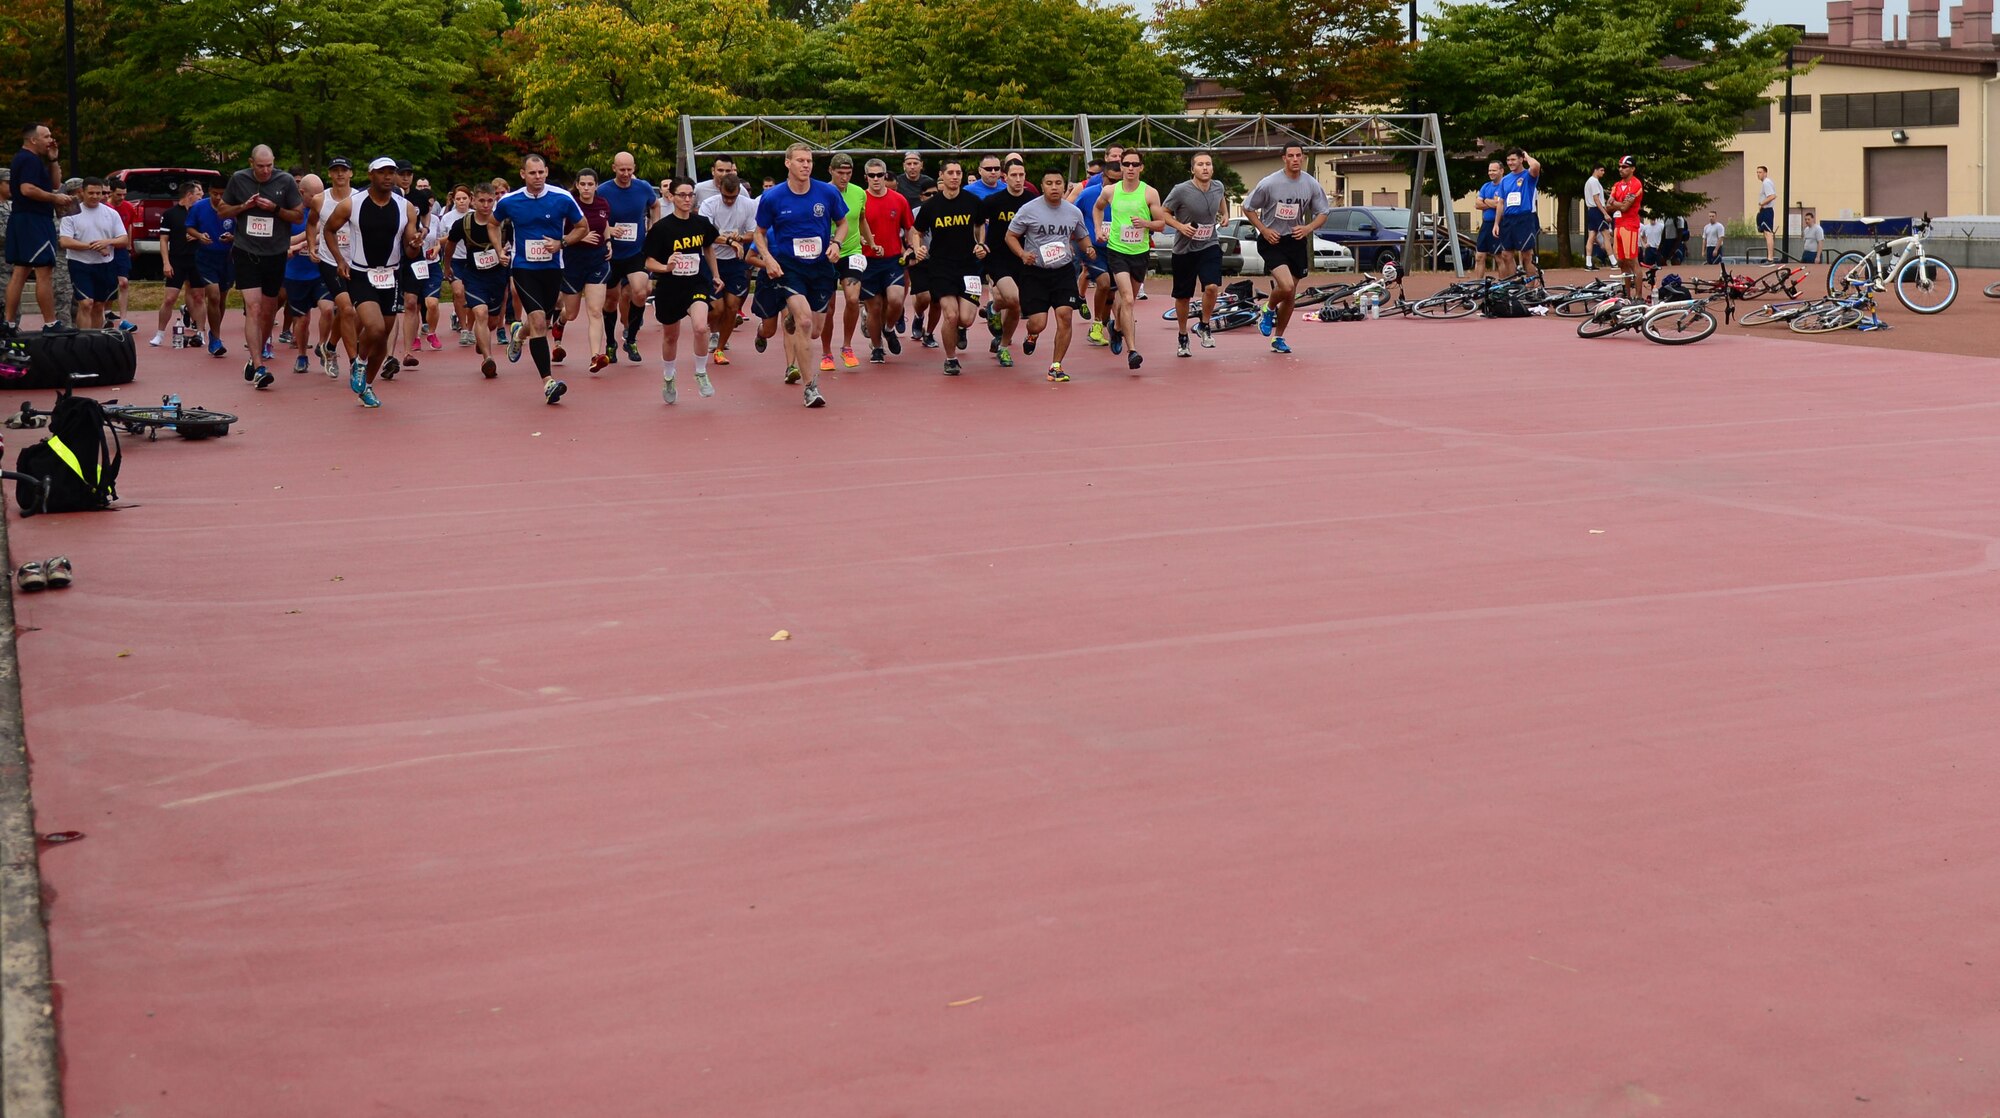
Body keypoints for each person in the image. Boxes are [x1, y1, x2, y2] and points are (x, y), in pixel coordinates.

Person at [321, 157, 424, 408]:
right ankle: (359, 361)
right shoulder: (351, 205)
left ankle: (366, 386)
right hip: (361, 274)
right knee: (375, 328)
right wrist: (339, 260)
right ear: (370, 175)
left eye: (392, 172)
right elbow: (329, 230)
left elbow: (410, 249)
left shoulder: (405, 207)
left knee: (383, 337)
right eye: (382, 173)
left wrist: (415, 244)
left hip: (391, 275)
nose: (388, 177)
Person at [751, 142, 848, 407]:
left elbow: (843, 224)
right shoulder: (773, 197)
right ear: (788, 163)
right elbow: (759, 232)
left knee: (815, 330)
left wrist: (836, 244)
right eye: (800, 161)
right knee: (804, 322)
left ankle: (794, 320)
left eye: (809, 161)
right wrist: (768, 258)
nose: (806, 165)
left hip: (819, 267)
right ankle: (810, 387)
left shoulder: (827, 192)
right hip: (788, 268)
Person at [490, 153, 588, 404]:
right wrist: (499, 248)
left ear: (546, 172)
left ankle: (519, 335)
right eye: (532, 173)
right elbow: (492, 223)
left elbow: (582, 227)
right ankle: (548, 382)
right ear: (523, 174)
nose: (538, 177)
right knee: (537, 321)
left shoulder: (562, 198)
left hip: (552, 268)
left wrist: (562, 242)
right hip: (523, 268)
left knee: (540, 320)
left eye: (541, 172)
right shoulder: (510, 201)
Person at [217, 144, 306, 390]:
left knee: (268, 310)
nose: (266, 171)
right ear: (251, 163)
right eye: (260, 166)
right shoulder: (239, 179)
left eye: (269, 166)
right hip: (246, 250)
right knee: (253, 308)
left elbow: (298, 216)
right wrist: (243, 207)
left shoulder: (285, 181)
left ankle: (254, 355)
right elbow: (222, 211)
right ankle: (259, 366)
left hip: (275, 252)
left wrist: (275, 209)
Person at [1004, 169, 1096, 383]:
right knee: (1038, 323)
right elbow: (1010, 236)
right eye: (1049, 183)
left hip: (1063, 272)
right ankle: (1032, 334)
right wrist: (1022, 254)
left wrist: (1089, 248)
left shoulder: (1073, 212)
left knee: (1065, 315)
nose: (1054, 187)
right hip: (1035, 272)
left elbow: (1082, 237)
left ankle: (1056, 366)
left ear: (1064, 187)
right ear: (1042, 186)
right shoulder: (1028, 209)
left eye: (1058, 183)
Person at [643, 176, 725, 404]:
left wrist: (716, 275)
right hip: (670, 287)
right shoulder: (661, 229)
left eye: (691, 195)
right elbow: (648, 262)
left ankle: (700, 372)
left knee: (700, 327)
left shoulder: (700, 223)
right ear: (671, 197)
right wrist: (666, 267)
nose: (688, 199)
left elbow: (708, 247)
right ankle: (669, 376)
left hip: (696, 283)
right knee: (671, 336)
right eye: (682, 195)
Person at [1242, 143, 1329, 355]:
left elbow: (1324, 212)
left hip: (1296, 240)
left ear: (1303, 158)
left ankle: (1278, 338)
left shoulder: (1310, 183)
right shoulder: (1269, 183)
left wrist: (1308, 227)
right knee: (1287, 285)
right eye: (1291, 156)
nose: (1295, 159)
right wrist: (1263, 229)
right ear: (1284, 158)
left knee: (1290, 295)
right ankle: (1268, 308)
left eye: (1299, 155)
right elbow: (1248, 207)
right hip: (1273, 240)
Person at [1091, 149, 1167, 372]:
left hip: (1139, 252)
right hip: (1117, 250)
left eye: (1135, 164)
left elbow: (1161, 224)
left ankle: (1115, 326)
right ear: (1121, 166)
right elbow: (1097, 208)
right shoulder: (1110, 191)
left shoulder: (1150, 193)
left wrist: (1145, 223)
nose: (1131, 168)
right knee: (1128, 299)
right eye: (1127, 164)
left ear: (1141, 167)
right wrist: (1097, 229)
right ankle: (1132, 351)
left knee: (1128, 300)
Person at [909, 158, 985, 377]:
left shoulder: (972, 201)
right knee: (950, 315)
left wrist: (980, 244)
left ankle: (961, 330)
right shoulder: (931, 206)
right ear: (941, 176)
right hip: (941, 267)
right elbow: (917, 231)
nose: (955, 177)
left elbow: (980, 225)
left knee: (966, 318)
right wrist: (918, 248)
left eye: (958, 173)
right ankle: (951, 359)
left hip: (969, 267)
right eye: (950, 173)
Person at [5, 124, 74, 329]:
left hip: (24, 219)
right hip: (34, 220)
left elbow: (54, 183)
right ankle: (50, 322)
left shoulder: (34, 160)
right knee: (44, 270)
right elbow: (27, 189)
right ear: (33, 140)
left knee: (21, 270)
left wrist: (53, 159)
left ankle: (8, 322)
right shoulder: (27, 159)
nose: (51, 140)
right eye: (47, 136)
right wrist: (55, 198)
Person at [440, 181, 510, 379]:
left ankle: (482, 340)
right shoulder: (463, 223)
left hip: (497, 276)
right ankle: (488, 359)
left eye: (490, 200)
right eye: (482, 201)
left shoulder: (504, 222)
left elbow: (517, 242)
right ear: (473, 200)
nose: (486, 205)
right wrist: (447, 267)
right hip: (474, 276)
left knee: (493, 321)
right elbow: (450, 246)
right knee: (480, 312)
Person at [1163, 153, 1227, 356]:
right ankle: (1183, 336)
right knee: (1183, 296)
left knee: (1212, 287)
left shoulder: (1218, 186)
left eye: (1208, 164)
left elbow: (1221, 199)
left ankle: (1204, 325)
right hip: (1184, 249)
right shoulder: (1181, 190)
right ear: (1193, 170)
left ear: (1212, 168)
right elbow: (1164, 213)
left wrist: (1225, 214)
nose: (1205, 168)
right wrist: (1180, 226)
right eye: (1200, 165)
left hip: (1209, 243)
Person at [601, 151, 660, 368]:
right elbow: (595, 217)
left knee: (641, 291)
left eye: (629, 169)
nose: (626, 174)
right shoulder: (604, 190)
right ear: (614, 168)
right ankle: (609, 343)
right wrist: (609, 229)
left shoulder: (643, 187)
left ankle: (632, 339)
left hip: (636, 252)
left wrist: (654, 227)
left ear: (634, 168)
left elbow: (655, 205)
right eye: (622, 169)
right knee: (611, 300)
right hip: (611, 254)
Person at [306, 157, 363, 380]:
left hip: (356, 261)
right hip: (330, 261)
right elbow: (311, 223)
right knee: (347, 309)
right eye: (335, 171)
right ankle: (354, 363)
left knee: (354, 312)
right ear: (329, 174)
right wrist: (312, 245)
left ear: (351, 173)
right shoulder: (320, 199)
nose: (339, 174)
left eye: (344, 170)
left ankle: (329, 346)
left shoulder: (360, 198)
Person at [855, 157, 913, 364]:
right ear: (866, 177)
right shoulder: (859, 199)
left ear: (885, 175)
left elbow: (910, 227)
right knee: (875, 307)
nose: (876, 179)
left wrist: (912, 247)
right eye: (872, 175)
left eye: (880, 175)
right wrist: (860, 239)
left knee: (896, 300)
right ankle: (877, 347)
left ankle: (889, 330)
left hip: (892, 259)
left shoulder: (899, 200)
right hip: (868, 261)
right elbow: (849, 225)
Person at [555, 167, 612, 370]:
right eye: (583, 184)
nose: (586, 188)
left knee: (595, 311)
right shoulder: (569, 205)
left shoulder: (602, 203)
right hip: (573, 263)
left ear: (596, 186)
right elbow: (559, 232)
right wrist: (580, 236)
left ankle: (596, 356)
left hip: (597, 262)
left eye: (590, 184)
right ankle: (559, 322)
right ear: (577, 185)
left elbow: (604, 224)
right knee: (571, 313)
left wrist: (608, 240)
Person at [978, 159, 1034, 367]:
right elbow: (977, 224)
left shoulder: (1032, 200)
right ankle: (1002, 342)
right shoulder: (993, 201)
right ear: (1005, 177)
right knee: (1015, 299)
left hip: (1024, 257)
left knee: (1011, 305)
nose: (1018, 179)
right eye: (1014, 175)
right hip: (998, 257)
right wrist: (980, 244)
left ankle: (1001, 340)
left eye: (1022, 175)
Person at [698, 171, 757, 365]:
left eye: (733, 197)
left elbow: (753, 233)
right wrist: (730, 240)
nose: (729, 201)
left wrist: (739, 239)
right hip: (711, 259)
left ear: (739, 192)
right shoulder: (709, 205)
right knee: (717, 308)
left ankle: (721, 348)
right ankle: (709, 326)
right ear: (720, 190)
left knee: (732, 306)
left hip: (735, 262)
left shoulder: (748, 205)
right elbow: (707, 234)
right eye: (725, 197)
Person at [56, 177, 126, 330]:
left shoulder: (111, 213)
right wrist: (93, 246)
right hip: (80, 264)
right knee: (86, 303)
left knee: (99, 305)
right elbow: (65, 242)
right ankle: (84, 341)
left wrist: (108, 242)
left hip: (105, 264)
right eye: (91, 193)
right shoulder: (72, 213)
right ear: (82, 192)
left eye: (98, 193)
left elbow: (123, 239)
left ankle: (95, 339)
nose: (95, 196)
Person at [819, 154, 868, 372]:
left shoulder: (859, 193)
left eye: (848, 173)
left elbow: (861, 218)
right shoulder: (820, 192)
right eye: (840, 173)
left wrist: (871, 241)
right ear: (831, 170)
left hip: (852, 252)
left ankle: (847, 346)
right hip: (826, 254)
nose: (845, 177)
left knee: (853, 298)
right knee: (828, 308)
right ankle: (826, 352)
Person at [151, 180, 207, 347]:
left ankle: (200, 333)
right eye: (198, 194)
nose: (201, 197)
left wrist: (198, 235)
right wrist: (166, 263)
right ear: (189, 195)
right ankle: (160, 333)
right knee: (169, 298)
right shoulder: (170, 214)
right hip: (177, 259)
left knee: (199, 297)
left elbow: (209, 232)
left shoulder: (201, 213)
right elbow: (163, 240)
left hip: (197, 259)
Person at [281, 174, 326, 374]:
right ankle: (301, 355)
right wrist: (303, 241)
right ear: (302, 193)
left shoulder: (326, 210)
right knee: (302, 320)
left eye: (322, 194)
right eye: (315, 195)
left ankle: (325, 346)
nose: (320, 198)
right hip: (295, 274)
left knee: (329, 309)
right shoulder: (292, 213)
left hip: (320, 272)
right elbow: (283, 242)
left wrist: (304, 241)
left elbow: (325, 234)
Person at [188, 181, 236, 355]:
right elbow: (190, 227)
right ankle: (215, 339)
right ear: (209, 191)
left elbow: (242, 232)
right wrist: (200, 235)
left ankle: (215, 331)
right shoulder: (199, 207)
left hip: (227, 258)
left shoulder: (234, 207)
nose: (218, 197)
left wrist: (232, 238)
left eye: (222, 194)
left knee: (222, 298)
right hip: (206, 258)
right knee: (213, 295)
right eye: (215, 193)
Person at [1496, 147, 1541, 276]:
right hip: (1508, 220)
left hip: (1524, 218)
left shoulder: (1528, 175)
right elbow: (1501, 202)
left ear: (1521, 160)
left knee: (1527, 255)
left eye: (1513, 159)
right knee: (1506, 254)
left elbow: (1536, 166)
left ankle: (1530, 287)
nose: (1510, 163)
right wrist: (1496, 223)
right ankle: (1514, 284)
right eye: (1508, 160)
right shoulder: (1505, 180)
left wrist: (1527, 156)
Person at [1606, 155, 1644, 300]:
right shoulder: (1616, 185)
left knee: (1632, 260)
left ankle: (1639, 296)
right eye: (1619, 166)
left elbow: (1625, 207)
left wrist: (1615, 203)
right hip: (1618, 225)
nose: (1621, 169)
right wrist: (1617, 204)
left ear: (1633, 169)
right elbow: (1609, 207)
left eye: (1624, 166)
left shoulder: (1636, 184)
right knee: (1621, 262)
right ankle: (1627, 295)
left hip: (1630, 225)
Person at [107, 176, 141, 329]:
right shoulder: (105, 208)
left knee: (124, 282)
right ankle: (104, 314)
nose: (122, 198)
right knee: (107, 282)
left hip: (121, 249)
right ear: (110, 193)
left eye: (124, 195)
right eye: (118, 194)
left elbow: (129, 227)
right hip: (106, 248)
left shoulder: (128, 207)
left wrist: (129, 246)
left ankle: (123, 319)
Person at [1473, 161, 1502, 279]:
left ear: (1501, 171)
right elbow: (1477, 204)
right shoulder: (1485, 186)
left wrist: (1485, 201)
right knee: (1479, 256)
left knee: (1500, 257)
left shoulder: (1505, 185)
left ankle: (1503, 285)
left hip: (1500, 224)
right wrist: (1490, 202)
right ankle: (1477, 285)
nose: (1491, 173)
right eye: (1490, 170)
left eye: (1494, 170)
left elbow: (1501, 204)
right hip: (1486, 224)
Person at [1582, 164, 1610, 270]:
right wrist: (1605, 213)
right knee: (1606, 234)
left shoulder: (1589, 182)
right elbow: (1596, 199)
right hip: (1597, 210)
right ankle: (1613, 261)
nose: (1603, 172)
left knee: (1591, 236)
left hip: (1591, 210)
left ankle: (1588, 263)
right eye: (1601, 170)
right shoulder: (1594, 181)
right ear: (1596, 170)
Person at [1754, 165, 1778, 263]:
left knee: (1768, 234)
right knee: (1765, 233)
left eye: (1760, 172)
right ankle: (1769, 256)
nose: (1758, 174)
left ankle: (1770, 258)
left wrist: (1762, 203)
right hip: (1764, 211)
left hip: (1767, 210)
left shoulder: (1766, 183)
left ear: (1765, 173)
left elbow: (1772, 196)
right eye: (1757, 172)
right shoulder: (1766, 183)